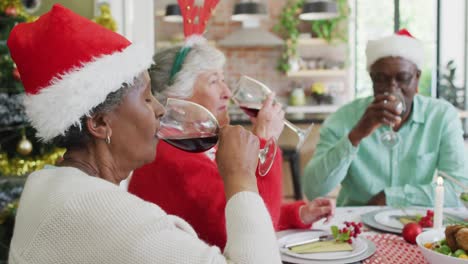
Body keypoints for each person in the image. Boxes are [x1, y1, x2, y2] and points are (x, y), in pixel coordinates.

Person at [7, 4, 282, 263]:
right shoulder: (107, 216)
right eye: (148, 98)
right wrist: (241, 176)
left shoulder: (48, 186)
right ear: (101, 123)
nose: (161, 109)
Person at [128, 42, 335, 249]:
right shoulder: (173, 157)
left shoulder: (195, 145)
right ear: (178, 97)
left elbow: (243, 209)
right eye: (213, 81)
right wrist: (265, 141)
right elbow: (252, 240)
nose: (227, 92)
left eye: (223, 80)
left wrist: (298, 214)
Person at [303, 29, 467, 207]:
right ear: (371, 78)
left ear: (417, 78)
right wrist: (356, 135)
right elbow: (313, 190)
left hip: (416, 224)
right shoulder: (343, 118)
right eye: (381, 79)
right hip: (355, 223)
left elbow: (459, 190)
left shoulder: (441, 117)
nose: (392, 88)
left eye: (403, 78)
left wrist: (390, 197)